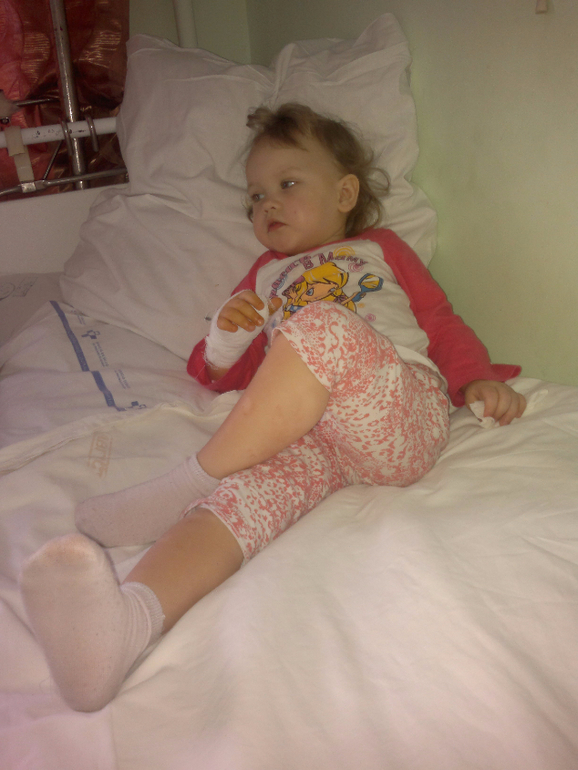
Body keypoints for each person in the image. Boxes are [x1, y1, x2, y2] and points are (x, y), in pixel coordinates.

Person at [20, 103, 526, 713]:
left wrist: (475, 380)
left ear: (345, 193)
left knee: (320, 327)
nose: (268, 206)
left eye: (288, 184)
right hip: (318, 440)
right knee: (234, 504)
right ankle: (123, 627)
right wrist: (224, 342)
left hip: (397, 414)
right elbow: (240, 380)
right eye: (256, 197)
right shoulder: (263, 276)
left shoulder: (380, 248)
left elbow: (439, 322)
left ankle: (185, 480)